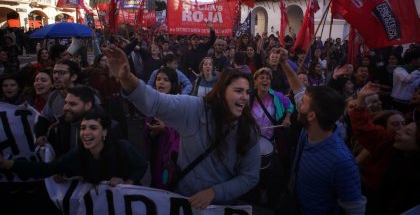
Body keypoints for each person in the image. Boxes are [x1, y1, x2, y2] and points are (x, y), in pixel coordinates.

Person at [102, 45, 260, 209]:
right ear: (221, 91)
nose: (245, 98)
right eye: (239, 91)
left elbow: (250, 176)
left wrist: (214, 192)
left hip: (222, 207)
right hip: (183, 200)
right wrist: (127, 78)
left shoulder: (249, 130)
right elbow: (156, 102)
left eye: (248, 93)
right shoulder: (195, 109)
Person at [277, 47, 366, 215]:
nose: (298, 103)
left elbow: (355, 209)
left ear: (311, 116)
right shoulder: (310, 127)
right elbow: (298, 90)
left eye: (302, 102)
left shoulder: (342, 162)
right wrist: (284, 62)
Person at [0, 107, 148, 186]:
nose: (86, 133)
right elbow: (46, 169)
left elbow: (141, 166)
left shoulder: (123, 148)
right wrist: (8, 164)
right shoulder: (77, 154)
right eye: (83, 128)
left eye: (93, 128)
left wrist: (128, 183)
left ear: (104, 132)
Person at [350, 82, 420, 215]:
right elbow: (364, 129)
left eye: (407, 132)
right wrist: (360, 100)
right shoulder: (386, 141)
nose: (400, 131)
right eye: (396, 125)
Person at [248, 67, 294, 208]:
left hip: (271, 140)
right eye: (262, 77)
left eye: (268, 78)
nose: (265, 80)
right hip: (251, 140)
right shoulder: (249, 96)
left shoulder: (278, 96)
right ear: (255, 81)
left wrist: (287, 118)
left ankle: (264, 190)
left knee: (267, 169)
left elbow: (290, 106)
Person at [145, 67, 181, 190]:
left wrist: (165, 128)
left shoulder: (179, 105)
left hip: (171, 157)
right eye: (158, 79)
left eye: (166, 80)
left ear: (173, 84)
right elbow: (147, 130)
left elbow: (182, 133)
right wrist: (152, 133)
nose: (161, 82)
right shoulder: (152, 103)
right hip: (155, 153)